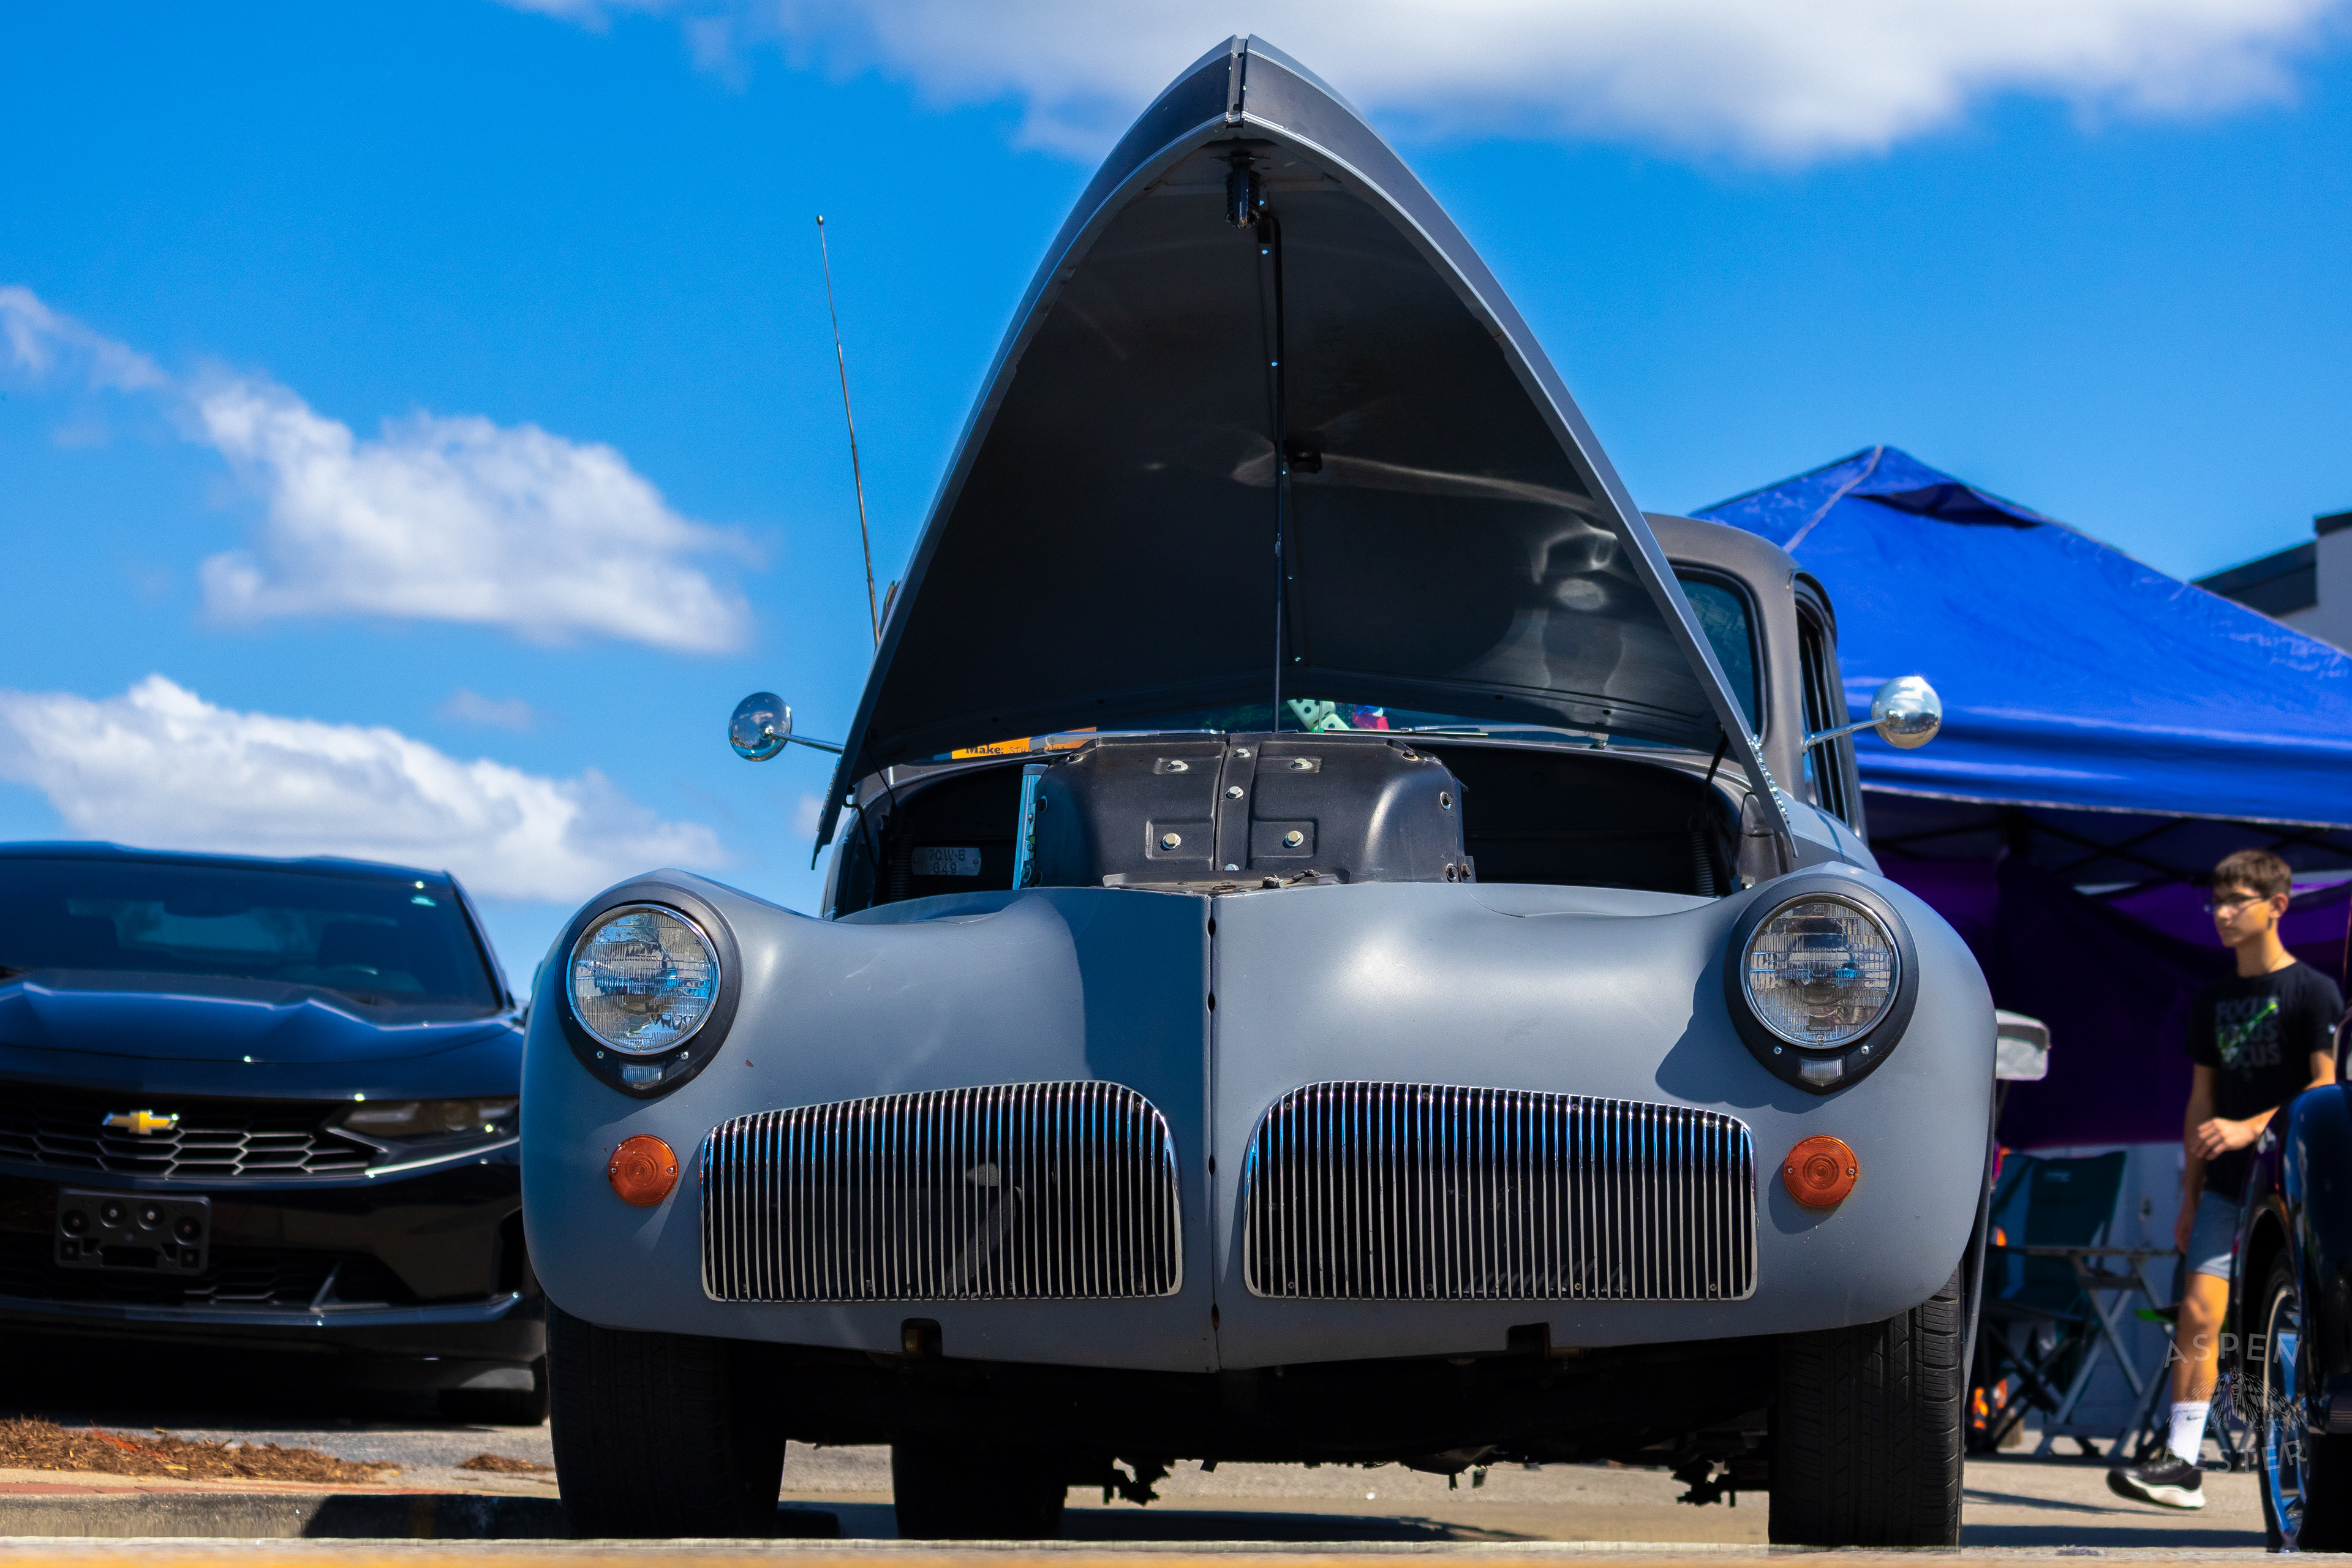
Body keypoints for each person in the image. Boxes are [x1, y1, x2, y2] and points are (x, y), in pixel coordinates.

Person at [2109, 849, 2341, 1510]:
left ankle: (2302, 1460)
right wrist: (2188, 1193)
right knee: (2199, 1314)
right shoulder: (2212, 1000)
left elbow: (2323, 1089)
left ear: (2278, 906)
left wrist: (2250, 1127)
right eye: (2217, 900)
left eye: (2238, 899)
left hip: (2289, 1188)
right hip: (2222, 1187)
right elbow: (2199, 1102)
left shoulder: (2312, 991)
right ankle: (2183, 1461)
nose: (2223, 912)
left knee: (2291, 1327)